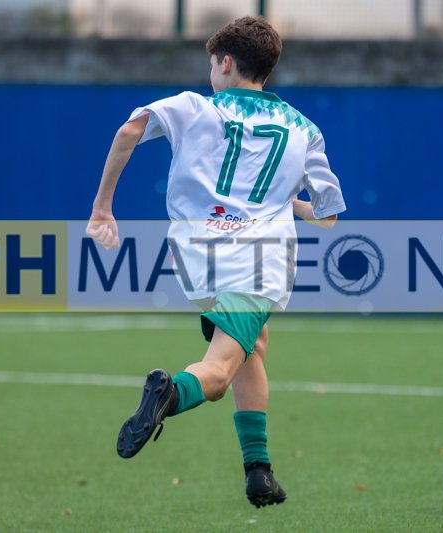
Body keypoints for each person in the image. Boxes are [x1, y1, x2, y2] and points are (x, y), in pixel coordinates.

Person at [85, 16, 346, 508]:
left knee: (252, 347)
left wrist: (102, 207)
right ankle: (170, 395)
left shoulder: (193, 107)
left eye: (211, 64)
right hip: (258, 260)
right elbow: (328, 214)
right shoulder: (303, 130)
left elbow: (127, 131)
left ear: (225, 63)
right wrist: (284, 203)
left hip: (194, 254)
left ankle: (259, 470)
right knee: (219, 372)